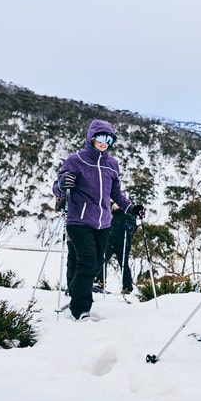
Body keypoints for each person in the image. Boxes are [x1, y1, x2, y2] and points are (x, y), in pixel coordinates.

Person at [53, 119, 145, 320]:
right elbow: (57, 187)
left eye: (109, 139)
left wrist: (131, 208)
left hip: (103, 223)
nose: (105, 142)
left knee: (93, 265)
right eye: (101, 137)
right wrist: (61, 184)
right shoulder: (75, 160)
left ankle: (75, 295)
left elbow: (117, 194)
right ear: (91, 138)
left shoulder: (112, 164)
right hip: (79, 220)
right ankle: (80, 309)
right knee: (86, 262)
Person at [93, 205, 138, 294]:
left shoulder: (127, 214)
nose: (113, 207)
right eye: (113, 206)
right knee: (102, 261)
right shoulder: (110, 215)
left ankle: (127, 287)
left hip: (122, 244)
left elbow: (133, 226)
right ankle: (100, 282)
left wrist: (129, 227)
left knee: (124, 265)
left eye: (115, 205)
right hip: (110, 242)